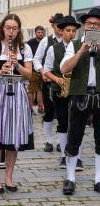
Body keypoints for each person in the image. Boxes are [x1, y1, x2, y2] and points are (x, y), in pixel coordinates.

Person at [0, 14, 34, 194]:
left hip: (17, 94)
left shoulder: (24, 49)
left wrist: (16, 65)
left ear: (19, 30)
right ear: (3, 27)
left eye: (14, 28)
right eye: (8, 27)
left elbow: (29, 75)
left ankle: (9, 178)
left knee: (13, 139)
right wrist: (1, 71)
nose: (11, 31)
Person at [60, 8, 100, 195]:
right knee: (74, 136)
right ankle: (70, 177)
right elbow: (64, 69)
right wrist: (81, 51)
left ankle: (99, 179)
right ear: (85, 25)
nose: (93, 26)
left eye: (97, 24)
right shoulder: (74, 44)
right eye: (90, 24)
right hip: (79, 95)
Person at [44, 16, 81, 169]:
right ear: (62, 31)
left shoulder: (81, 47)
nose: (70, 34)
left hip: (77, 90)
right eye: (67, 31)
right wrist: (57, 79)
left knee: (77, 125)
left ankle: (76, 156)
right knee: (63, 122)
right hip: (60, 89)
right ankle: (63, 156)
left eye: (73, 31)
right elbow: (46, 69)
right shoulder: (53, 48)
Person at [33, 13, 63, 152]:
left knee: (62, 113)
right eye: (58, 26)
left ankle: (61, 141)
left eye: (62, 26)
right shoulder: (46, 41)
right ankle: (49, 141)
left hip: (65, 82)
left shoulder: (70, 42)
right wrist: (43, 71)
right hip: (49, 81)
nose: (60, 29)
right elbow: (37, 59)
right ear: (52, 26)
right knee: (49, 112)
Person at [27, 26, 45, 114]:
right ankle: (30, 107)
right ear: (35, 33)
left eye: (42, 32)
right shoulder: (30, 43)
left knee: (40, 89)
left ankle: (40, 107)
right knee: (31, 89)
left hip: (42, 69)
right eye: (39, 32)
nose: (40, 34)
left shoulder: (46, 42)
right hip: (32, 69)